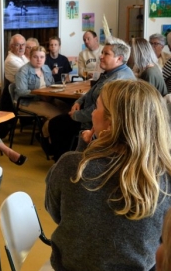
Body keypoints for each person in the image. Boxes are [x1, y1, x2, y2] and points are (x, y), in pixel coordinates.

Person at [45, 80, 171, 270]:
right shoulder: (165, 176)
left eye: (96, 108)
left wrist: (83, 150)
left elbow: (56, 212)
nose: (93, 113)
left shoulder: (71, 166)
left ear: (111, 124)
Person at [48, 37, 135, 161]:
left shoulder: (116, 80)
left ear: (119, 58)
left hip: (98, 123)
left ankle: (64, 162)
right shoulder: (112, 72)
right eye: (102, 52)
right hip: (91, 115)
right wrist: (79, 101)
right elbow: (92, 92)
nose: (101, 56)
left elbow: (98, 111)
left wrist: (76, 115)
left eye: (106, 54)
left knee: (56, 124)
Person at [14, 46, 68, 147]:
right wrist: (40, 95)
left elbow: (51, 85)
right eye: (35, 57)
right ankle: (44, 137)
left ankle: (52, 136)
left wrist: (50, 93)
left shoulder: (46, 68)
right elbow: (21, 92)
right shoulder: (23, 71)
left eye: (42, 57)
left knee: (68, 111)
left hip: (46, 98)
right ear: (30, 57)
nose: (39, 60)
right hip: (26, 101)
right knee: (56, 115)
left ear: (45, 58)